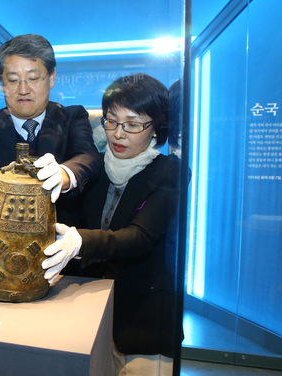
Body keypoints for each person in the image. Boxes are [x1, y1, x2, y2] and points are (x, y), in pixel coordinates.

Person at [42, 74, 179, 375]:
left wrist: (79, 242)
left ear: (157, 126)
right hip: (88, 317)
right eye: (111, 121)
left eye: (132, 124)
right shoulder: (93, 168)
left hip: (143, 321)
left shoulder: (169, 172)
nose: (119, 134)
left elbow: (140, 235)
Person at [0, 34, 101, 291]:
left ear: (50, 78)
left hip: (66, 265)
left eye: (33, 78)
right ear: (2, 84)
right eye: (13, 80)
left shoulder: (72, 117)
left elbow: (88, 157)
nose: (24, 89)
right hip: (3, 266)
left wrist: (64, 174)